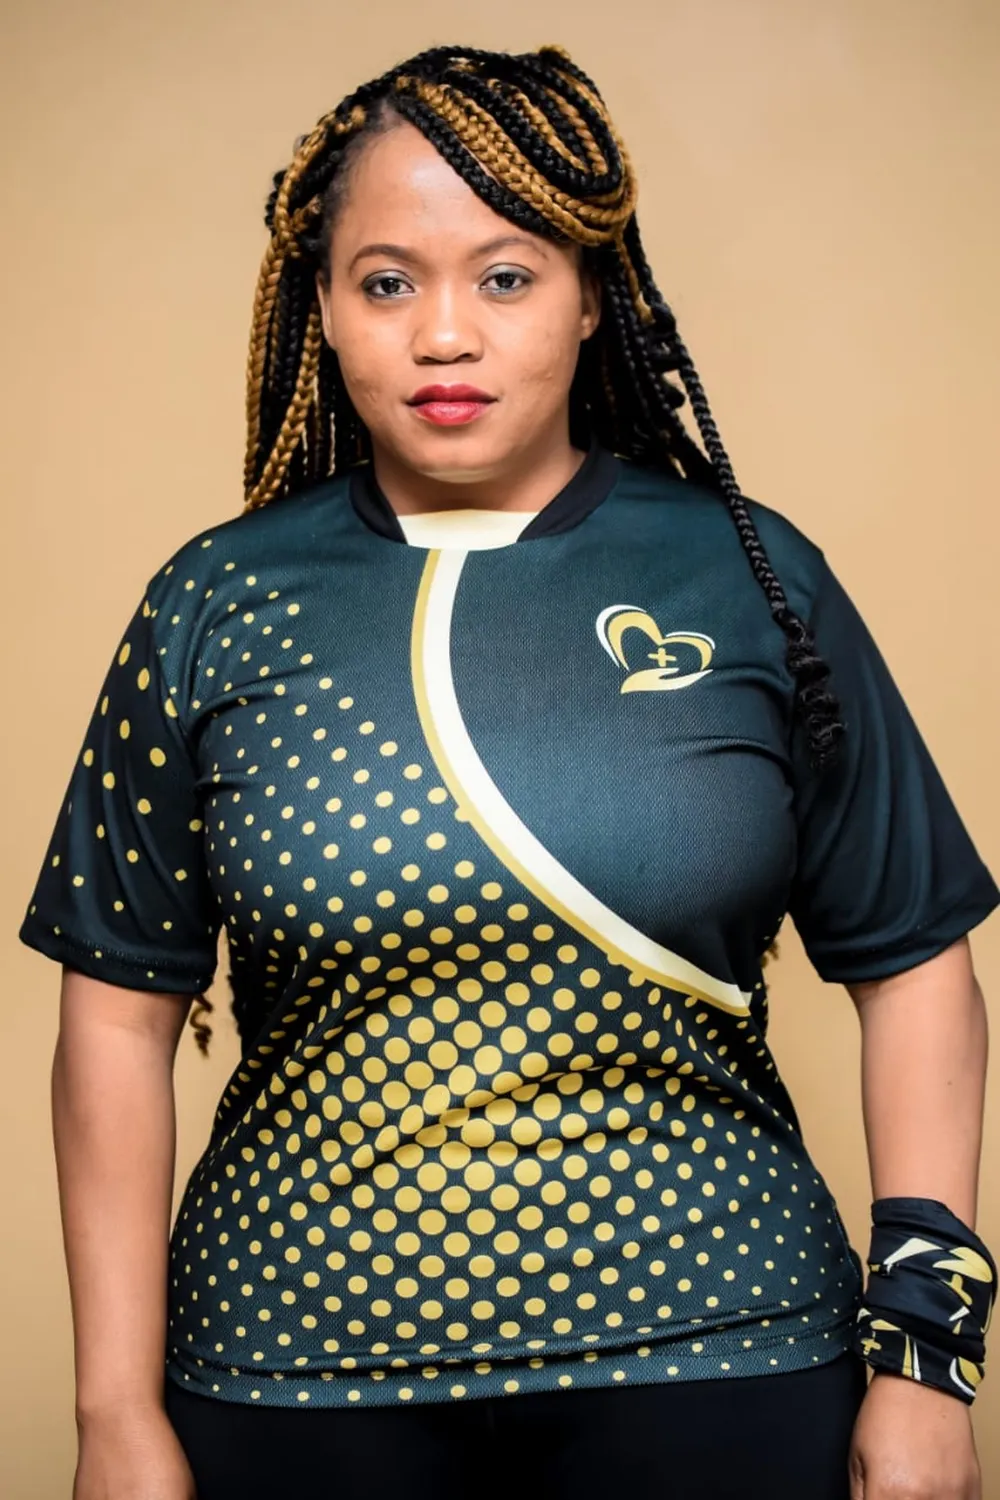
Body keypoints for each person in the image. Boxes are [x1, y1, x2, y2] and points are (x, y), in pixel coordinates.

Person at [18, 41, 999, 1500]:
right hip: (291, 1381)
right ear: (323, 307)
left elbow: (913, 964)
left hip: (721, 1365)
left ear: (591, 296)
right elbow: (113, 1020)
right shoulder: (213, 603)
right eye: (387, 281)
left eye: (505, 276)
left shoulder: (749, 574)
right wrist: (113, 1411)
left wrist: (926, 1363)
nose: (444, 334)